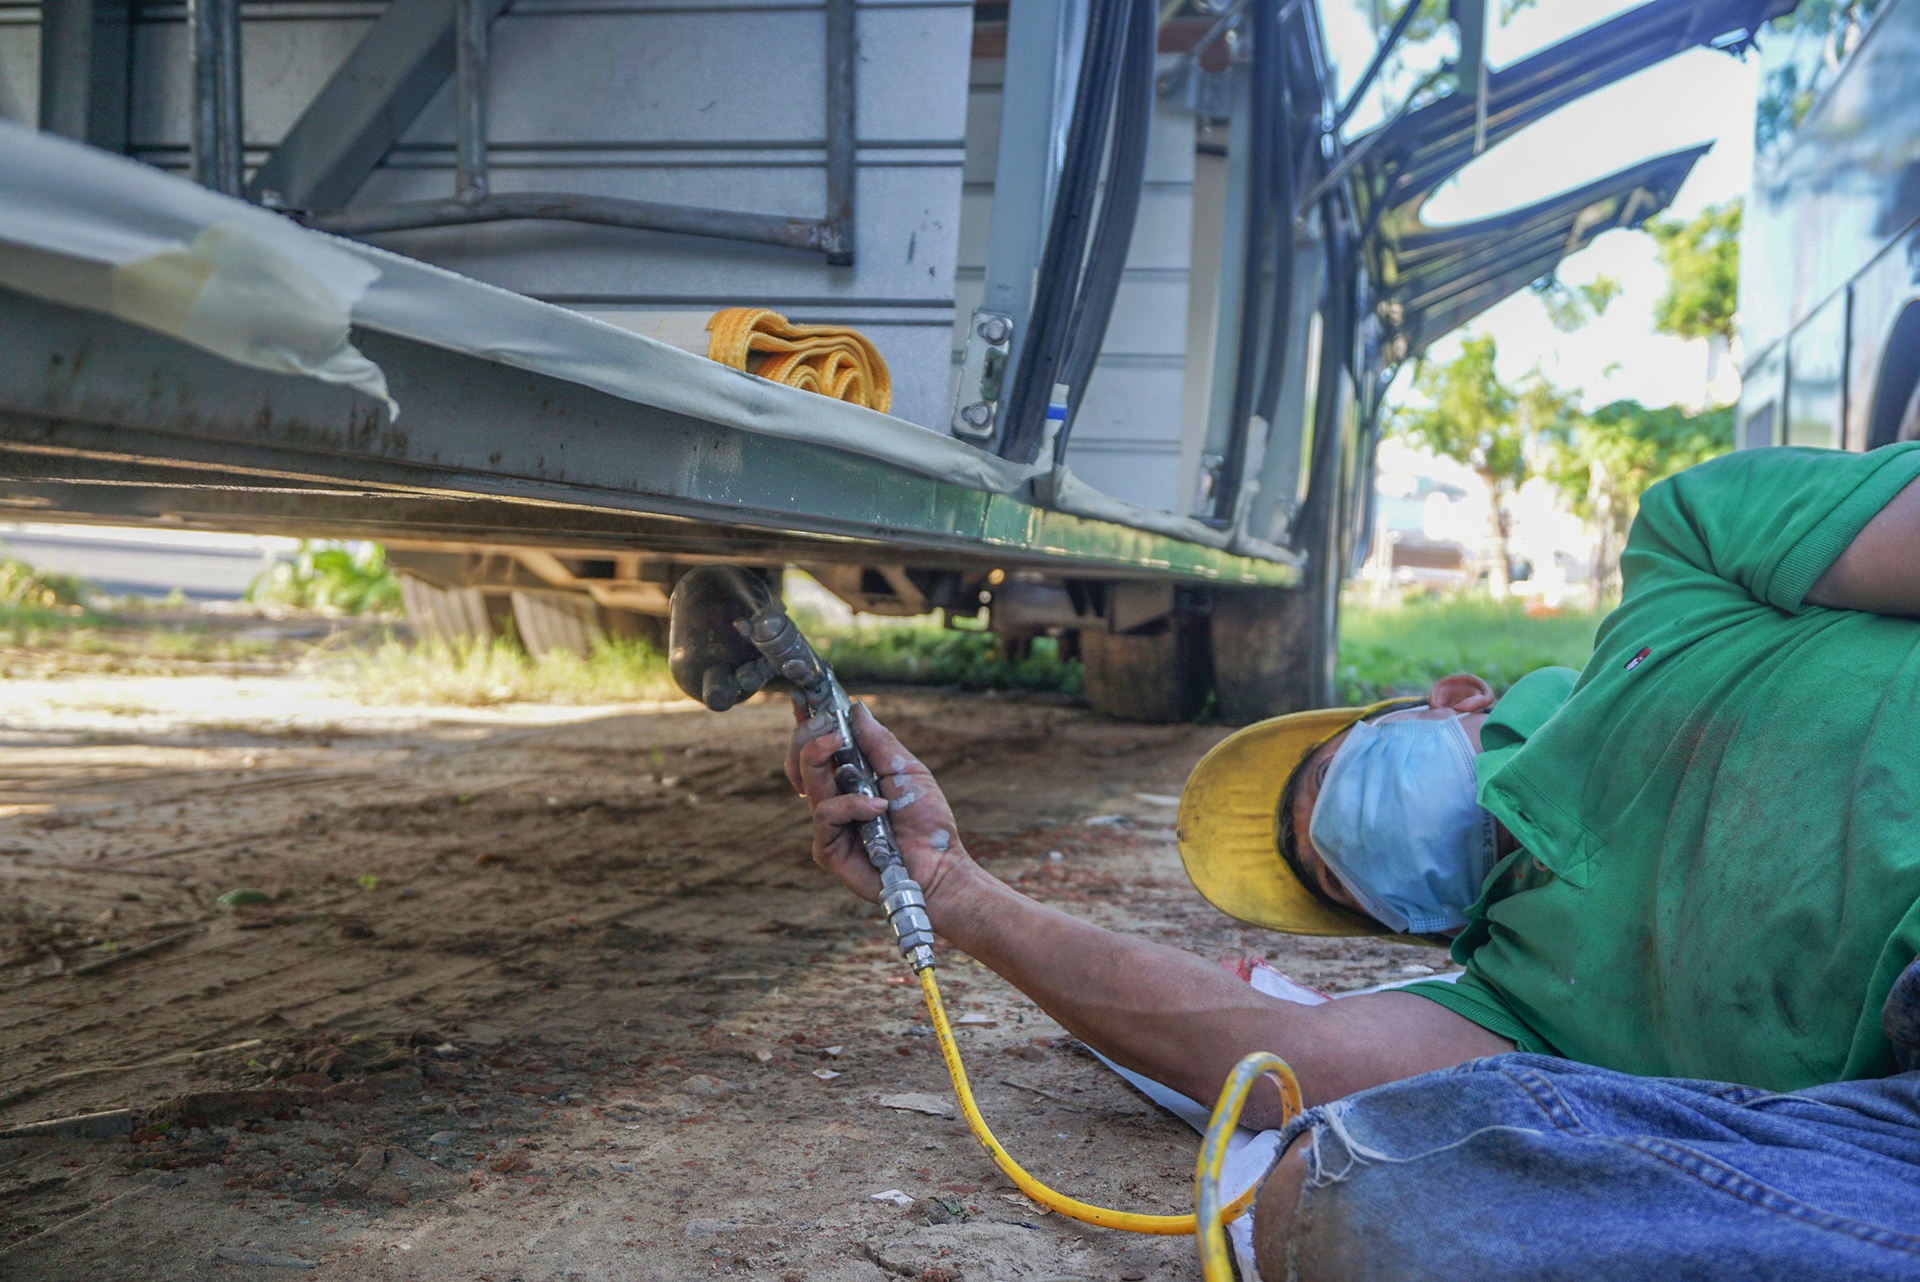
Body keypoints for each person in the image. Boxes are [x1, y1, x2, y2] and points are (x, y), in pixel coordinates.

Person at [783, 443, 1920, 1279]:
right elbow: (1280, 1056)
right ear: (1400, 922)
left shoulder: (1691, 552)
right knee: (1337, 1206)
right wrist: (956, 893)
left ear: (1449, 700)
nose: (1336, 839)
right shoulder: (1516, 1001)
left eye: (1325, 779)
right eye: (1332, 880)